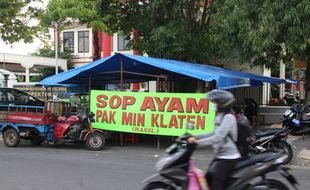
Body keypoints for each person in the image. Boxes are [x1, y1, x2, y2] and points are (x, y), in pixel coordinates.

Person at [187, 89, 240, 190]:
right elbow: (213, 133)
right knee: (207, 181)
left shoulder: (229, 117)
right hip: (219, 156)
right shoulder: (219, 116)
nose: (213, 104)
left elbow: (218, 137)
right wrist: (195, 136)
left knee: (216, 185)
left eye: (215, 102)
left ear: (223, 104)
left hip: (228, 158)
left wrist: (197, 143)